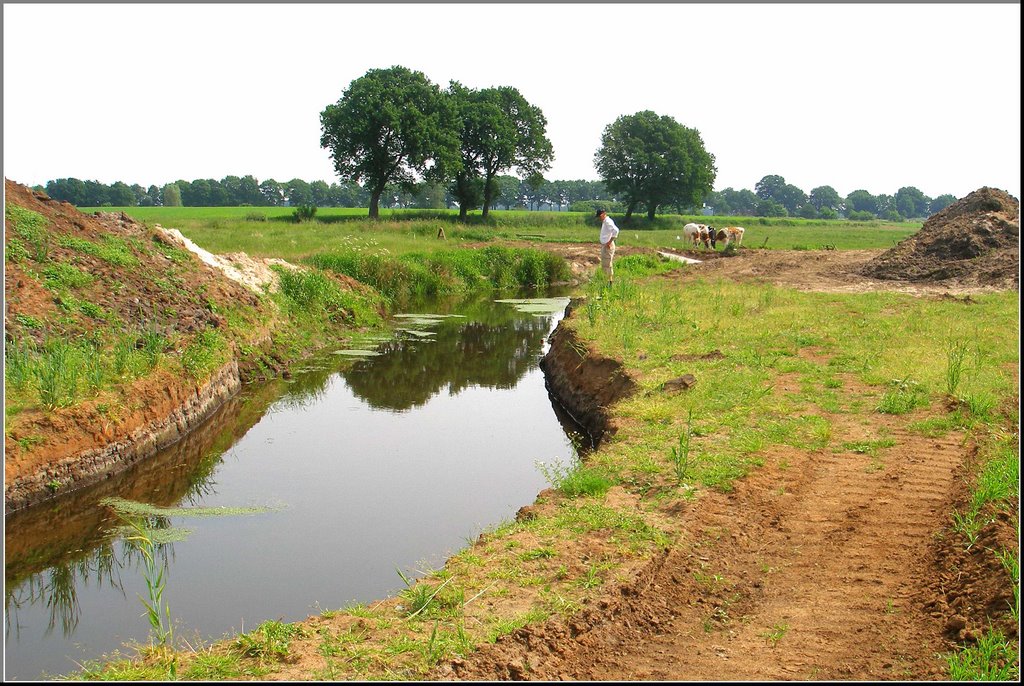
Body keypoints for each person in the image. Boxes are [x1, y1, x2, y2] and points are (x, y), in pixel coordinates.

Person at [596, 208, 619, 286]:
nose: (599, 218)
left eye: (599, 216)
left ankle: (609, 284)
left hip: (607, 245)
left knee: (607, 265)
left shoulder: (608, 221)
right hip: (605, 245)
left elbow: (616, 231)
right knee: (605, 264)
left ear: (603, 214)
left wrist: (609, 242)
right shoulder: (605, 221)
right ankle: (607, 282)